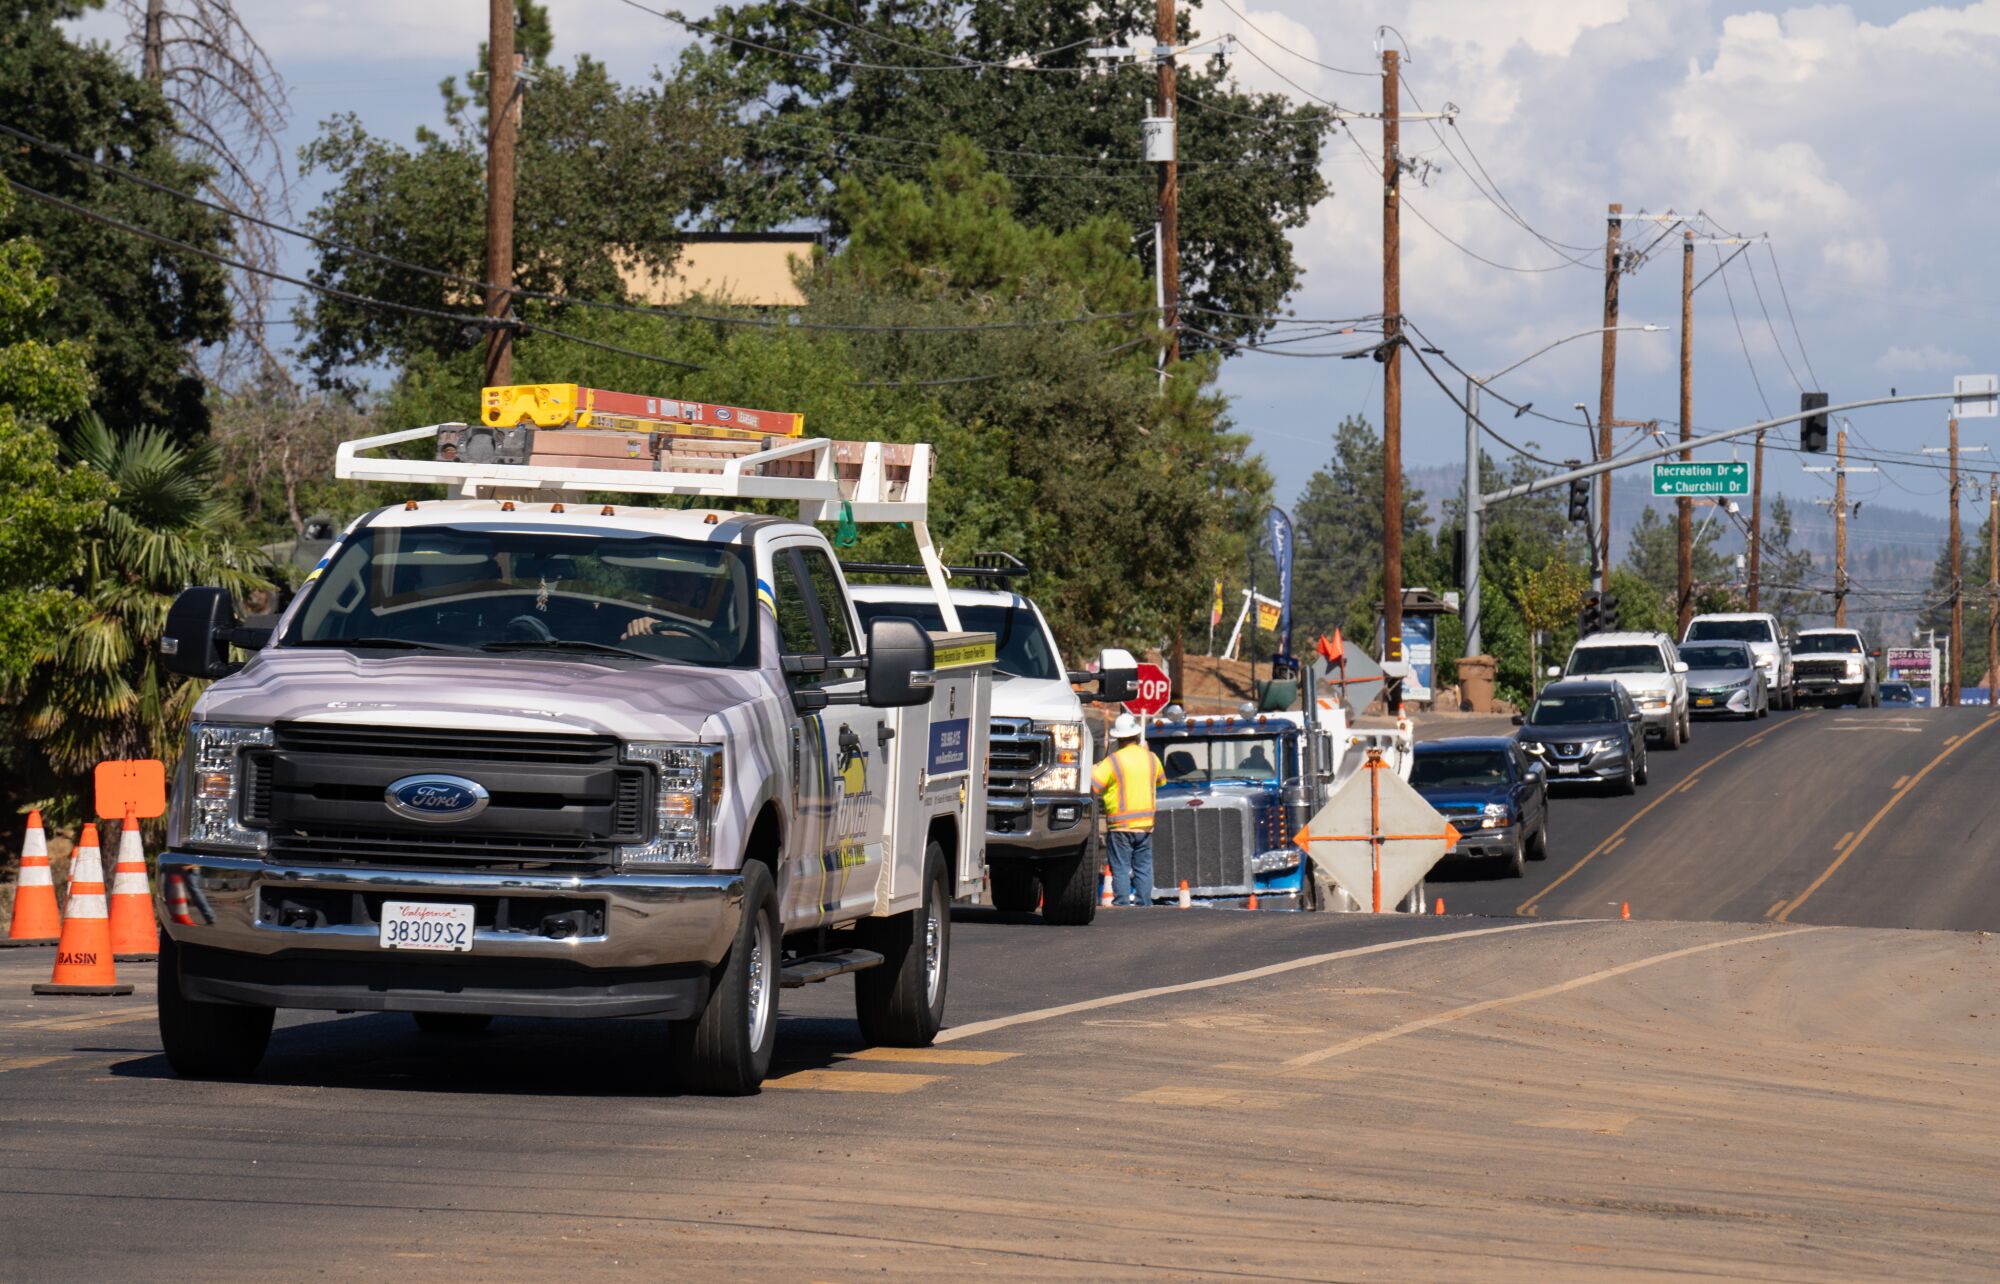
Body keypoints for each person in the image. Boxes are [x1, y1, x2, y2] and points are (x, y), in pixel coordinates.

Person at [1091, 712, 1164, 907]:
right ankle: (1144, 904)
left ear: (1118, 738)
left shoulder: (1113, 761)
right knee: (1143, 867)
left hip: (1121, 824)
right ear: (1136, 735)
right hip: (1146, 825)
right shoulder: (1151, 758)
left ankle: (1123, 904)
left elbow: (1095, 786)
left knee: (1121, 867)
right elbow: (1161, 780)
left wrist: (1095, 767)